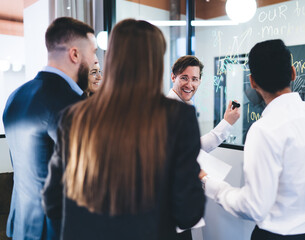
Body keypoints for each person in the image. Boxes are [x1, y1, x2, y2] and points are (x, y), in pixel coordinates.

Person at [42, 19, 205, 240]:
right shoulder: (178, 118)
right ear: (156, 60)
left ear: (112, 58)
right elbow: (188, 213)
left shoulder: (73, 116)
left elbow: (53, 202)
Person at [200, 39, 305, 239]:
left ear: (253, 82)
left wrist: (211, 184)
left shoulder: (263, 130)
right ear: (293, 72)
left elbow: (253, 207)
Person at [2, 17, 98, 240]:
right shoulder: (75, 105)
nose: (95, 60)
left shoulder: (15, 96)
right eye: (93, 52)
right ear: (75, 54)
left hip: (21, 228)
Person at [168, 55, 241, 153]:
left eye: (194, 79)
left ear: (199, 81)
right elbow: (192, 149)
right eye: (184, 78)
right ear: (173, 77)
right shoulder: (170, 111)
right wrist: (227, 123)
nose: (189, 85)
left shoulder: (183, 107)